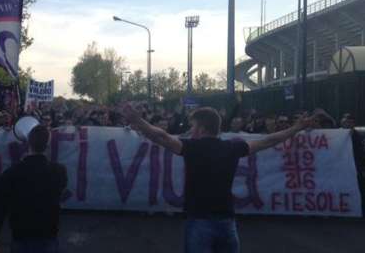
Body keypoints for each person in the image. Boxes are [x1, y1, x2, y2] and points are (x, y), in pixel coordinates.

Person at [122, 104, 313, 253]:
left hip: (199, 221)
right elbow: (268, 140)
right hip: (227, 222)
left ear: (202, 128)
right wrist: (296, 128)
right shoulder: (232, 148)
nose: (191, 130)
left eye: (193, 126)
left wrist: (138, 121)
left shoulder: (192, 148)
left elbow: (161, 137)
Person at [0, 125, 68, 253]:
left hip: (21, 237)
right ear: (47, 145)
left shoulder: (11, 173)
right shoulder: (59, 171)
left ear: (28, 144)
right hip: (48, 236)